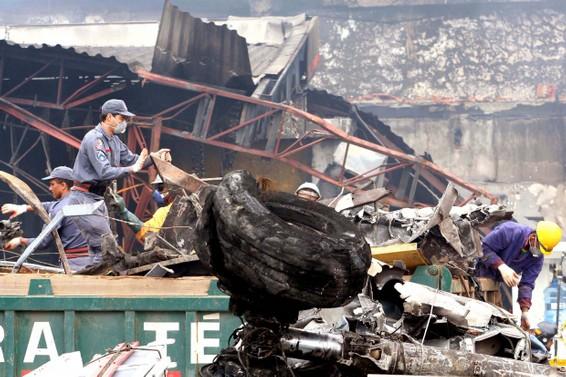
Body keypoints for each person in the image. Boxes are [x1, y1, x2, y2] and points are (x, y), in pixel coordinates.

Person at [70, 99, 170, 262]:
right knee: (104, 244)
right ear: (109, 117)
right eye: (121, 118)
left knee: (102, 245)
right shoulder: (94, 140)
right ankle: (99, 281)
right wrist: (132, 169)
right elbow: (104, 171)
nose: (124, 122)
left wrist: (156, 157)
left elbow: (133, 160)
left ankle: (98, 279)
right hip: (84, 198)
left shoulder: (114, 141)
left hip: (98, 198)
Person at [475, 220, 562, 330]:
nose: (539, 252)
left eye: (543, 250)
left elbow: (527, 284)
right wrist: (502, 266)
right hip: (477, 276)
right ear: (533, 237)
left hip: (493, 286)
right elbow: (483, 248)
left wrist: (524, 312)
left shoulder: (537, 258)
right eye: (540, 247)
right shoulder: (510, 231)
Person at [1, 166, 90, 271]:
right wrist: (23, 208)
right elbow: (50, 205)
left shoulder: (59, 210)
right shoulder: (86, 200)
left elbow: (43, 242)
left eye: (52, 184)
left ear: (63, 185)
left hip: (74, 265)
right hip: (94, 261)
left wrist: (20, 240)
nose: (50, 188)